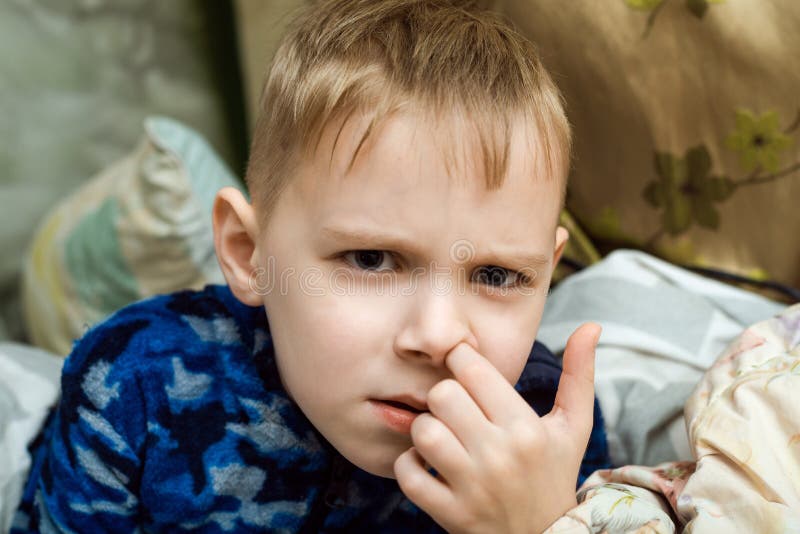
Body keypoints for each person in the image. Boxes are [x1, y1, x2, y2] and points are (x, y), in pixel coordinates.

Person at [12, 0, 612, 532]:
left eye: (497, 276)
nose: (436, 336)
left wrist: (539, 525)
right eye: (373, 259)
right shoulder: (133, 387)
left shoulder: (547, 430)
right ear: (250, 256)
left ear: (549, 273)